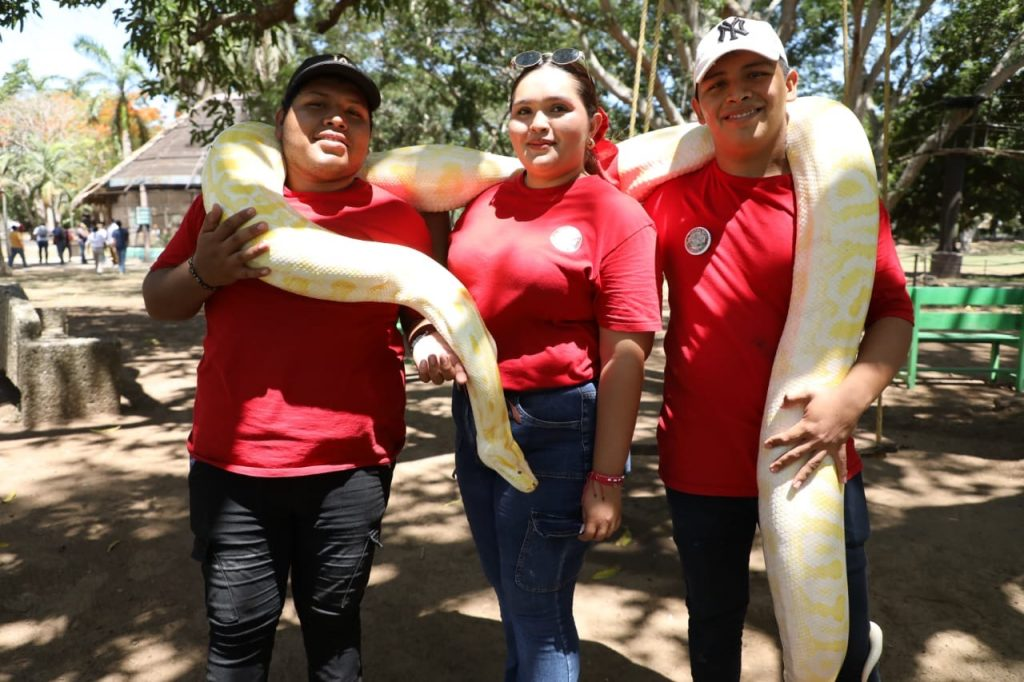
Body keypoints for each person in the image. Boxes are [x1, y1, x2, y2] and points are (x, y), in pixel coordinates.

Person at [142, 53, 431, 680]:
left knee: (335, 633)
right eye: (317, 105)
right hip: (235, 464)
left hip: (351, 465)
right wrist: (203, 273)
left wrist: (429, 338)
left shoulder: (398, 218)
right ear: (281, 123)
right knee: (237, 637)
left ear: (368, 135)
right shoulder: (229, 205)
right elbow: (158, 299)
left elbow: (421, 310)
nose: (337, 120)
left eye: (354, 112)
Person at [642, 17, 914, 682]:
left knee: (841, 639)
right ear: (699, 106)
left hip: (818, 451)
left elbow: (892, 312)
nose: (738, 93)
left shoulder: (839, 193)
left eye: (755, 74)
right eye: (718, 82)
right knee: (712, 625)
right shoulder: (667, 201)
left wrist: (851, 401)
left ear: (790, 84)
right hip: (701, 460)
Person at [412, 49, 662, 681]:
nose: (538, 125)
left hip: (559, 427)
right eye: (523, 112)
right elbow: (445, 286)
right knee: (513, 593)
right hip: (476, 416)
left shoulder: (616, 215)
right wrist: (429, 332)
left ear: (594, 122)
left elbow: (626, 355)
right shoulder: (483, 201)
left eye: (558, 108)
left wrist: (607, 477)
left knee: (538, 607)